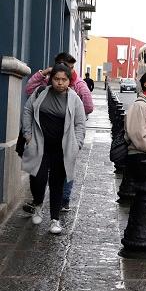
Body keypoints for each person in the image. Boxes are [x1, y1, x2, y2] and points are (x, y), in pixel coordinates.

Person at [22, 52, 93, 214]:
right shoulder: (46, 85)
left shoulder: (79, 86)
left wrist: (76, 142)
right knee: (38, 174)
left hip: (66, 140)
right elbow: (29, 92)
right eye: (60, 66)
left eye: (69, 67)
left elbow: (87, 108)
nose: (60, 81)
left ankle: (62, 202)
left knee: (62, 175)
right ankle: (40, 201)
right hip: (41, 139)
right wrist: (44, 73)